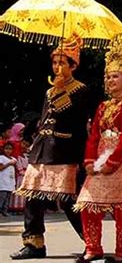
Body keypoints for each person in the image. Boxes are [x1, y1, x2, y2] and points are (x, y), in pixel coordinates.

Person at [10, 33, 89, 260]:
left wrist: (82, 159)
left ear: (72, 65)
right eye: (54, 62)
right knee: (32, 197)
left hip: (65, 152)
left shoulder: (80, 90)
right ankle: (34, 243)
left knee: (67, 201)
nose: (57, 67)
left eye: (62, 62)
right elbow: (45, 120)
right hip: (42, 150)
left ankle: (91, 242)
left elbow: (79, 124)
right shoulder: (48, 90)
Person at [74, 40, 122, 263]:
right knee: (87, 204)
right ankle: (92, 248)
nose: (109, 80)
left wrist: (113, 162)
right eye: (107, 77)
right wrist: (89, 159)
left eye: (115, 76)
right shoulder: (102, 106)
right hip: (100, 160)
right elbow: (94, 135)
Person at [9, 140, 31, 213]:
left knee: (24, 193)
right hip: (21, 177)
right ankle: (15, 208)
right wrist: (25, 173)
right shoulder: (18, 157)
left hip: (26, 176)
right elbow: (19, 168)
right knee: (19, 192)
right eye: (23, 144)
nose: (25, 146)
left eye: (26, 145)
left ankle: (22, 207)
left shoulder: (27, 156)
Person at [0, 142, 17, 216]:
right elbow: (0, 168)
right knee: (2, 197)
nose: (8, 150)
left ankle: (5, 211)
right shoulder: (1, 158)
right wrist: (9, 164)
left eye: (10, 149)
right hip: (3, 181)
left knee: (8, 197)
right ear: (3, 149)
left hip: (10, 181)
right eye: (6, 148)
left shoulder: (14, 159)